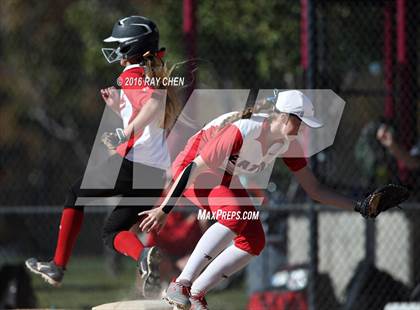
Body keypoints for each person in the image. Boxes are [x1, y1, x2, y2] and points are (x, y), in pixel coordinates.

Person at [138, 90, 360, 309]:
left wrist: (359, 205)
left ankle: (196, 293)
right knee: (234, 213)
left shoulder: (288, 144)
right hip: (191, 171)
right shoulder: (245, 129)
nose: (303, 128)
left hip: (222, 177)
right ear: (283, 117)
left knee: (253, 240)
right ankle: (180, 285)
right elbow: (193, 168)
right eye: (300, 122)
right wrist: (164, 209)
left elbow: (315, 189)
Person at [25, 15, 181, 297]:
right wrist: (117, 108)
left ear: (132, 48)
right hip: (154, 171)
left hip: (132, 164)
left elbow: (154, 104)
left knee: (75, 194)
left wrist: (126, 132)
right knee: (114, 233)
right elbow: (150, 104)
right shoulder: (150, 75)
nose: (116, 51)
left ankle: (58, 266)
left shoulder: (131, 75)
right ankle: (144, 256)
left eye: (120, 45)